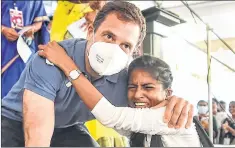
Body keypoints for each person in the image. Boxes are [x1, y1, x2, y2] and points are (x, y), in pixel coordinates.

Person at [2, 1, 193, 147]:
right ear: (91, 32)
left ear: (134, 51)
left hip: (67, 125)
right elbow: (37, 138)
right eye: (108, 36)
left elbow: (151, 108)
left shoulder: (127, 80)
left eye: (125, 45)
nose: (112, 50)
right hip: (14, 119)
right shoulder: (50, 58)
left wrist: (174, 103)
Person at [38, 49, 201, 147]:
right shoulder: (139, 124)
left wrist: (67, 64)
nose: (137, 94)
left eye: (148, 87)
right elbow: (104, 113)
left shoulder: (168, 117)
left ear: (168, 93)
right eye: (132, 87)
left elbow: (109, 116)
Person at [1, 0, 50, 98]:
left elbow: (39, 23)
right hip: (3, 46)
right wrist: (2, 29)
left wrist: (31, 29)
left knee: (19, 84)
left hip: (23, 50)